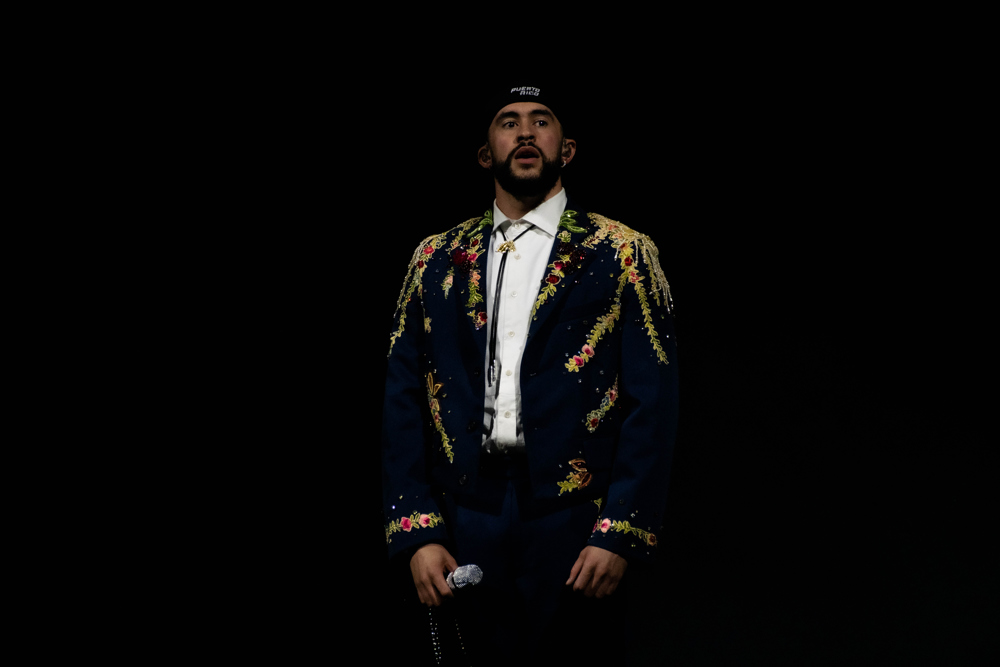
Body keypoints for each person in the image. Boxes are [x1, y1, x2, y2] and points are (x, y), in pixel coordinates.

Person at [381, 83, 678, 662]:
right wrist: (418, 531)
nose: (524, 132)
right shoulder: (435, 257)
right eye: (508, 121)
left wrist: (620, 529)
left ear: (566, 149)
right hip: (466, 512)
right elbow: (402, 396)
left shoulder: (621, 251)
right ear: (485, 152)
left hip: (574, 517)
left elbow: (654, 400)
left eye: (540, 121)